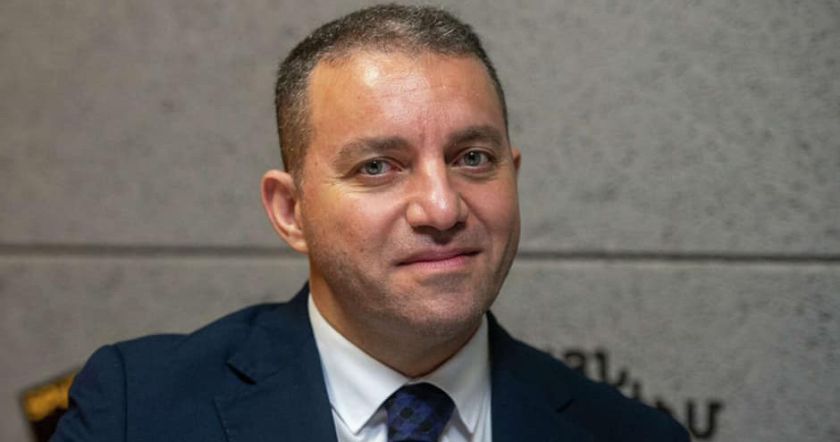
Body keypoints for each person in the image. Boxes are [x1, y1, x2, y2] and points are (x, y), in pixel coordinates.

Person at [52, 4, 689, 441]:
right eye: (378, 167)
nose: (442, 209)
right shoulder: (138, 412)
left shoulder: (632, 435)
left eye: (473, 158)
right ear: (291, 211)